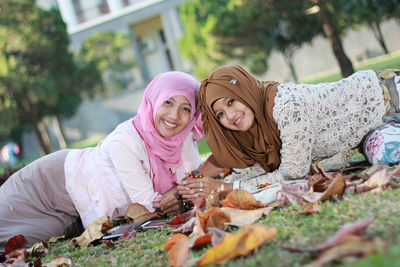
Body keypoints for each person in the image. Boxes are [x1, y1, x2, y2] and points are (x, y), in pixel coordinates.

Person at [0, 71, 215, 250]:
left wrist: (184, 189)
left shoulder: (183, 137)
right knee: (7, 241)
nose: (175, 115)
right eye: (168, 102)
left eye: (186, 108)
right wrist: (184, 191)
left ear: (193, 113)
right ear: (154, 100)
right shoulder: (125, 140)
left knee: (41, 238)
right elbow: (149, 206)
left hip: (77, 207)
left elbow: (196, 174)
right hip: (49, 185)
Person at [177, 65, 400, 198]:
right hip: (371, 130)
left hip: (386, 95)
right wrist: (190, 183)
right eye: (220, 114)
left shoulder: (286, 107)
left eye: (231, 101)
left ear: (243, 90)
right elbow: (235, 167)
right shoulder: (254, 130)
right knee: (389, 154)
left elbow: (293, 174)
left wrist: (226, 187)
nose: (230, 115)